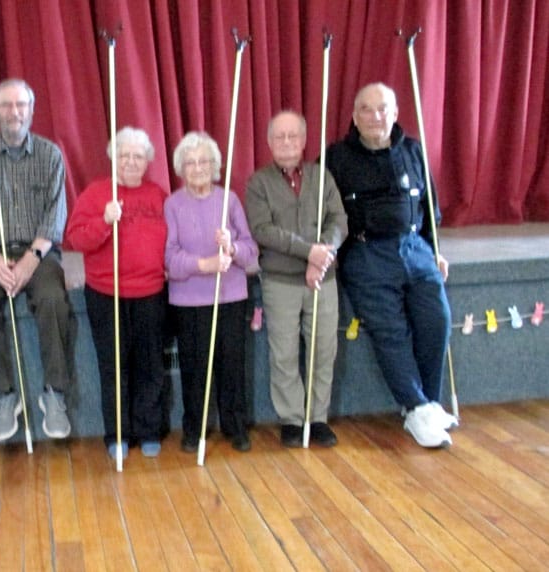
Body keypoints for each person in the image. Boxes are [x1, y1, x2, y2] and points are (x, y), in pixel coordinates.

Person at [326, 83, 457, 448]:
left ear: (395, 113)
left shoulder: (413, 150)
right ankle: (415, 407)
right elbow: (324, 213)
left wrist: (435, 250)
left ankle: (428, 403)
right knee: (390, 331)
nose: (375, 117)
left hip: (415, 248)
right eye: (366, 109)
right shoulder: (337, 157)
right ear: (354, 117)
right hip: (366, 252)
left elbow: (430, 208)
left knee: (437, 319)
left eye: (383, 108)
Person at [0, 78, 75, 442]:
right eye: (7, 105)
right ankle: (4, 395)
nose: (15, 112)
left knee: (53, 298)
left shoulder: (50, 155)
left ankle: (54, 394)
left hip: (38, 251)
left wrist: (30, 260)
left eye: (21, 105)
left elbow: (55, 216)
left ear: (31, 110)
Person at [244, 111, 348, 448]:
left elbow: (339, 221)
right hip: (280, 280)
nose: (286, 142)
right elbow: (263, 230)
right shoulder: (258, 183)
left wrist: (323, 254)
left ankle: (317, 418)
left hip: (323, 279)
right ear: (269, 142)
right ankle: (291, 420)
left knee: (323, 350)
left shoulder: (322, 176)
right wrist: (309, 253)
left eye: (293, 136)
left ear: (304, 141)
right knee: (284, 354)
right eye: (280, 137)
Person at [66, 127, 168, 459]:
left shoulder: (158, 195)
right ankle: (118, 434)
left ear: (148, 161)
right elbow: (76, 239)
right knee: (114, 367)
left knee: (150, 366)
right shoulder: (96, 194)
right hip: (106, 292)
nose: (131, 162)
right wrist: (104, 221)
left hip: (151, 292)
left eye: (138, 156)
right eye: (124, 155)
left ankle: (149, 429)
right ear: (113, 158)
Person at [164, 131, 258, 453]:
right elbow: (169, 258)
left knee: (232, 365)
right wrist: (205, 264)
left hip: (229, 296)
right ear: (181, 168)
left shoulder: (229, 200)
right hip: (188, 300)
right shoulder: (172, 204)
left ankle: (236, 426)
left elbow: (250, 251)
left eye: (203, 161)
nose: (197, 168)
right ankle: (195, 429)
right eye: (190, 162)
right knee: (194, 368)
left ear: (215, 165)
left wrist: (231, 248)